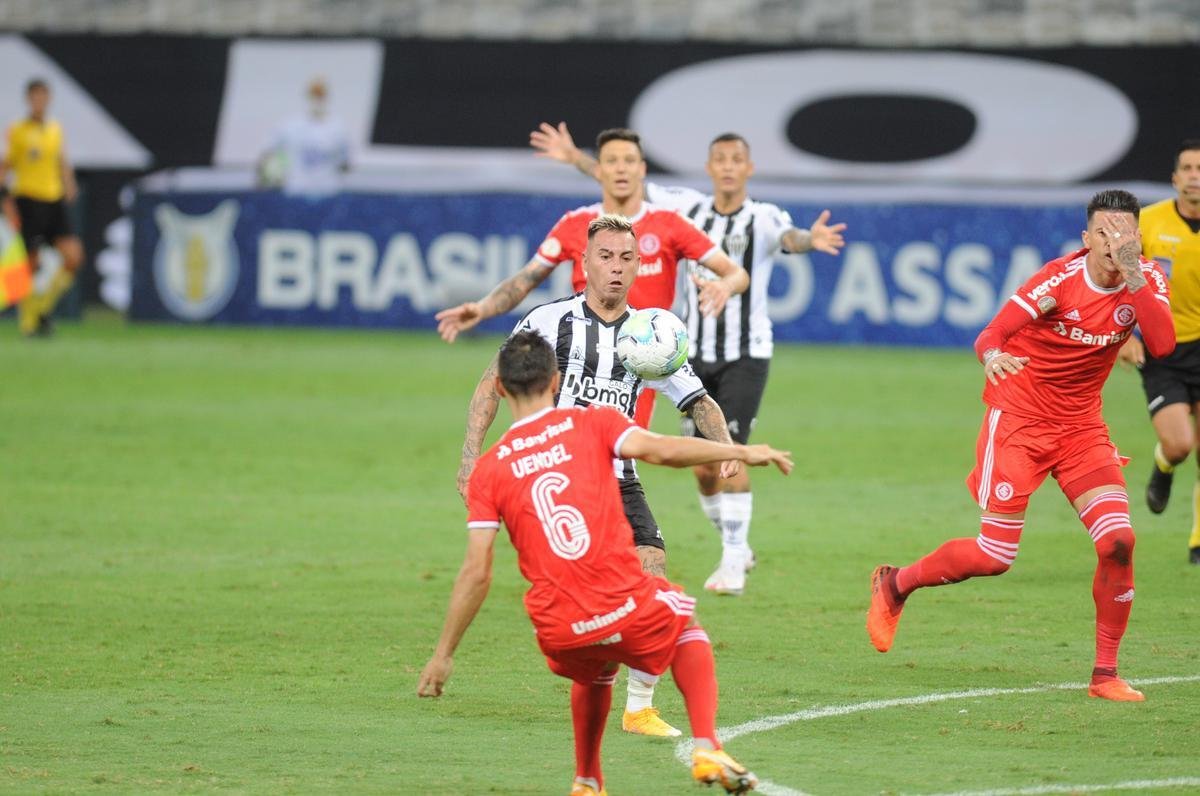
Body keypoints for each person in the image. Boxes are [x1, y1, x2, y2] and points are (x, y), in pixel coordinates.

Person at [418, 328, 792, 795]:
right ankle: (708, 744)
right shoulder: (592, 423)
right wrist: (738, 450)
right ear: (556, 381)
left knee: (594, 667)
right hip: (623, 605)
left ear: (499, 387)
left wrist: (443, 655)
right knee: (684, 619)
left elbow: (476, 573)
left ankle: (587, 779)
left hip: (557, 631)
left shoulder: (490, 470)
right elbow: (663, 449)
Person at [866, 189, 1174, 702]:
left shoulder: (1146, 278)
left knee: (1118, 541)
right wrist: (991, 358)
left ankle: (1105, 675)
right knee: (995, 556)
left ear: (1137, 238)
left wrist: (1137, 272)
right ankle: (896, 583)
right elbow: (991, 334)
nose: (1113, 241)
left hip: (1081, 430)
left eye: (1123, 232)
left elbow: (1162, 344)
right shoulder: (1058, 280)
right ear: (1086, 238)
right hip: (1020, 425)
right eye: (1103, 231)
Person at [457, 215, 743, 738]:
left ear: (639, 266)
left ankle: (639, 709)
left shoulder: (650, 335)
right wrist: (471, 453)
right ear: (584, 263)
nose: (615, 268)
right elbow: (490, 382)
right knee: (581, 602)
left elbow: (699, 400)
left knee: (652, 570)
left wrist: (725, 447)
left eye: (626, 258)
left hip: (620, 477)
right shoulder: (548, 323)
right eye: (605, 257)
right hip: (560, 476)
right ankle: (592, 687)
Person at [530, 122, 846, 595]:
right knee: (702, 465)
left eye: (736, 161)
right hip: (687, 351)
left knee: (727, 446)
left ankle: (735, 560)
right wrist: (576, 157)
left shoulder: (763, 217)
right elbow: (621, 178)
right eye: (720, 161)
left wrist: (808, 240)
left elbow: (791, 239)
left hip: (746, 351)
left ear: (749, 168)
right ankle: (736, 543)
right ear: (709, 168)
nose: (727, 169)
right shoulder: (687, 207)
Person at [435, 128, 750, 430]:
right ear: (599, 170)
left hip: (637, 359)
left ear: (642, 169)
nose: (621, 169)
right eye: (611, 161)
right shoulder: (576, 224)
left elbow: (737, 273)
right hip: (575, 357)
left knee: (617, 458)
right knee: (563, 450)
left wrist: (725, 285)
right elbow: (527, 278)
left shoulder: (669, 224)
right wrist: (483, 308)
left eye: (629, 161)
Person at [1116, 140, 1200, 564]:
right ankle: (1164, 466)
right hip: (1163, 348)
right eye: (1187, 167)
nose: (1194, 175)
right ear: (1174, 178)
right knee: (1181, 444)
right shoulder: (1147, 224)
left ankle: (1198, 541)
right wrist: (1125, 336)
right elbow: (1114, 278)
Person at [0, 78, 83, 337]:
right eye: (35, 97)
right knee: (29, 264)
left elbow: (61, 159)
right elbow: (4, 167)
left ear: (48, 100)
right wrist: (6, 203)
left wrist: (69, 183)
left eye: (43, 97)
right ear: (29, 100)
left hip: (53, 200)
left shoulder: (55, 129)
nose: (40, 102)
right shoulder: (18, 131)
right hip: (28, 200)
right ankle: (28, 324)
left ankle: (42, 309)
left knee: (73, 257)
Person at [257, 77, 350, 197]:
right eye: (314, 95)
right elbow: (268, 152)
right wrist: (269, 177)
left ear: (326, 97)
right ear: (308, 96)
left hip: (327, 192)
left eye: (320, 95)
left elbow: (345, 163)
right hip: (297, 191)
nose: (317, 100)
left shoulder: (338, 128)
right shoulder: (290, 125)